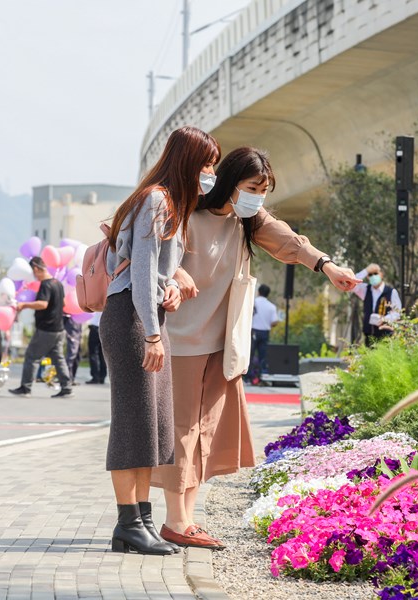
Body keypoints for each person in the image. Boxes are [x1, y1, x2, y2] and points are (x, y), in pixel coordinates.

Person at [152, 146, 359, 549]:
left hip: (222, 345)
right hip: (180, 340)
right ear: (230, 182)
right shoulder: (185, 211)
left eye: (264, 190)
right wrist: (174, 271)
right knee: (181, 432)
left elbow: (291, 242)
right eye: (252, 187)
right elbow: (148, 250)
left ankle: (188, 520)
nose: (258, 197)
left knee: (205, 434)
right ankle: (175, 521)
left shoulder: (248, 221)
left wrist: (329, 267)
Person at [100, 125, 220, 556]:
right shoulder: (155, 199)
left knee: (153, 425)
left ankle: (141, 522)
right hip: (133, 322)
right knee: (133, 424)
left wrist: (172, 283)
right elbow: (140, 273)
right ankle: (128, 522)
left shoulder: (169, 205)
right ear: (188, 161)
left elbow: (156, 273)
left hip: (147, 319)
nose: (210, 173)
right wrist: (152, 333)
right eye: (207, 164)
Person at [8, 257, 73, 398]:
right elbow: (63, 303)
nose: (33, 275)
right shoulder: (58, 284)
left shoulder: (45, 285)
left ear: (36, 269)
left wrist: (24, 305)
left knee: (32, 356)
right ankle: (66, 388)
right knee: (59, 359)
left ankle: (25, 388)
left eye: (33, 272)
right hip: (59, 329)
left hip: (46, 329)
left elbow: (43, 304)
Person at [353, 263, 402, 345]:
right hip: (369, 336)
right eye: (370, 274)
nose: (373, 276)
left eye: (375, 273)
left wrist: (384, 319)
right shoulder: (365, 290)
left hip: (386, 336)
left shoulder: (391, 292)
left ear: (381, 274)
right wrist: (366, 270)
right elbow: (353, 283)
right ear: (368, 277)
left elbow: (398, 312)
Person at [248, 284, 280, 383]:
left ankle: (249, 377)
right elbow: (275, 321)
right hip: (265, 332)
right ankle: (262, 376)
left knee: (250, 355)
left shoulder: (253, 303)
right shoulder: (271, 306)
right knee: (263, 355)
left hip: (253, 331)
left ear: (259, 292)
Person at [86, 312, 107, 384]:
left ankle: (95, 376)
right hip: (104, 327)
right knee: (103, 354)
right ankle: (102, 376)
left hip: (95, 327)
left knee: (93, 353)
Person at [63, 314, 83, 384]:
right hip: (70, 321)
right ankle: (67, 378)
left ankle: (72, 378)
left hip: (77, 321)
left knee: (77, 355)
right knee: (71, 354)